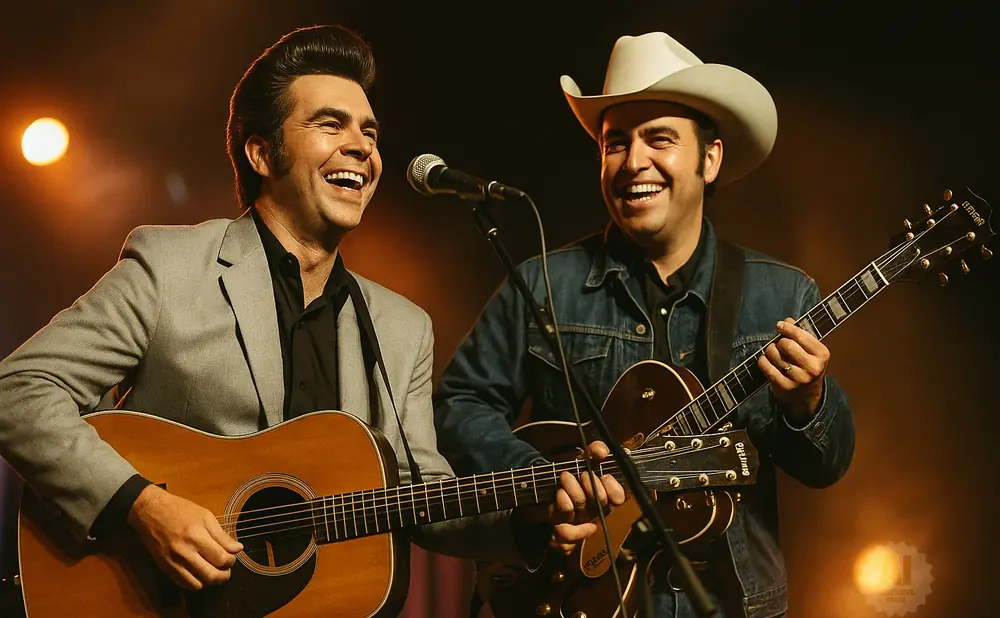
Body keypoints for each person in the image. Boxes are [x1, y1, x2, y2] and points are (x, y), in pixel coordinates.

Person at [0, 25, 580, 608]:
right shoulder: (172, 269)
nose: (363, 147)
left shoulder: (403, 330)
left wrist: (530, 515)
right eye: (331, 124)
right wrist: (144, 505)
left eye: (370, 132)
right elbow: (18, 389)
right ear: (261, 153)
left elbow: (420, 498)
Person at [433, 31, 855, 618]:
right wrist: (545, 479)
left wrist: (810, 401)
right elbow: (458, 407)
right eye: (615, 144)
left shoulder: (781, 293)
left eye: (659, 139)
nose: (633, 163)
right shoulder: (539, 284)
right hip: (574, 596)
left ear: (710, 158)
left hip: (731, 603)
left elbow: (826, 465)